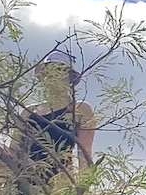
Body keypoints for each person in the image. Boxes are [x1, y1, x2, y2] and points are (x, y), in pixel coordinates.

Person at [14, 49, 96, 179]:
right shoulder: (28, 112)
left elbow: (84, 155)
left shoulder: (80, 110)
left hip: (59, 184)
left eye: (59, 70)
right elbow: (14, 151)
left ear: (70, 77)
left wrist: (82, 191)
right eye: (48, 72)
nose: (52, 76)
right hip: (23, 180)